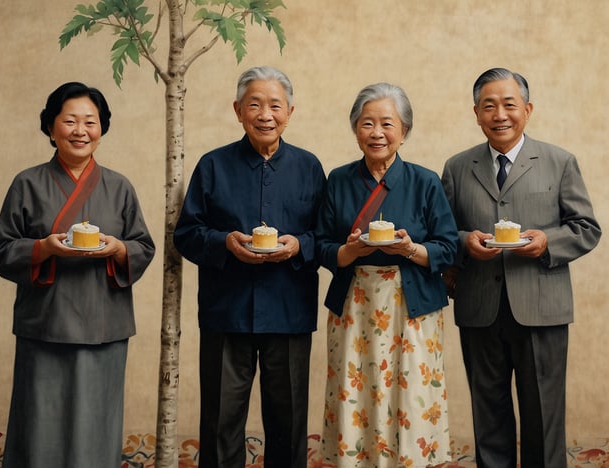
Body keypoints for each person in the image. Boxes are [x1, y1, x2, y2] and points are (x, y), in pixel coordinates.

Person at [0, 82, 155, 467]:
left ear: (102, 129)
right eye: (70, 121)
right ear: (51, 127)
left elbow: (143, 246)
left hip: (104, 325)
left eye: (90, 122)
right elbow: (1, 248)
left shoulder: (119, 186)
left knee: (97, 424)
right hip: (45, 323)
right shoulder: (26, 183)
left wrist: (118, 248)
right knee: (39, 424)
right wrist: (44, 247)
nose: (80, 130)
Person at [441, 67, 601, 467]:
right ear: (475, 113)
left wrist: (548, 242)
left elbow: (586, 228)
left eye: (509, 104)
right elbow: (443, 233)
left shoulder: (559, 162)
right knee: (488, 416)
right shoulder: (457, 167)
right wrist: (465, 242)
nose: (500, 115)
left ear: (527, 109)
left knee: (544, 416)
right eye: (488, 106)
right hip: (480, 307)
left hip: (542, 307)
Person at [173, 65, 326, 468]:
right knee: (221, 423)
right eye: (254, 104)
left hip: (289, 313)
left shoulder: (309, 167)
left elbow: (324, 237)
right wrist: (224, 242)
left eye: (275, 105)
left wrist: (299, 246)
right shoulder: (212, 165)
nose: (265, 114)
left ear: (290, 112)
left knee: (289, 426)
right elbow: (186, 234)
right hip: (227, 313)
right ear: (238, 110)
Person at [315, 82, 458, 467]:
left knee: (410, 395)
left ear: (404, 131)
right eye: (367, 123)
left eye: (387, 124)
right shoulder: (339, 179)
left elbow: (448, 247)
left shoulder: (425, 181)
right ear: (355, 129)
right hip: (354, 306)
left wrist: (410, 249)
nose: (376, 133)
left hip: (412, 306)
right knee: (356, 394)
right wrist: (348, 251)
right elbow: (320, 244)